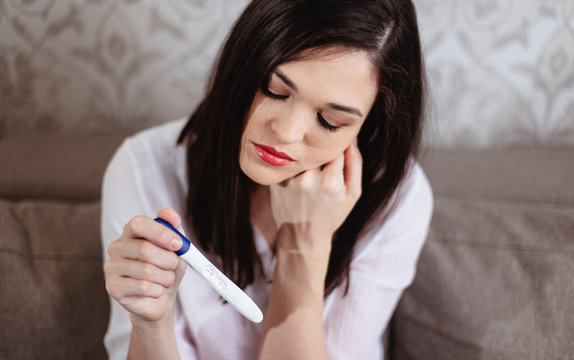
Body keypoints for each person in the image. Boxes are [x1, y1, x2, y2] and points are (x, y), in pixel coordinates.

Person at [101, 0, 433, 358]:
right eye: (275, 89)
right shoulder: (143, 168)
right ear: (245, 60)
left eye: (331, 121)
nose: (287, 133)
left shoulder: (399, 199)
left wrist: (303, 249)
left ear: (370, 123)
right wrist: (152, 323)